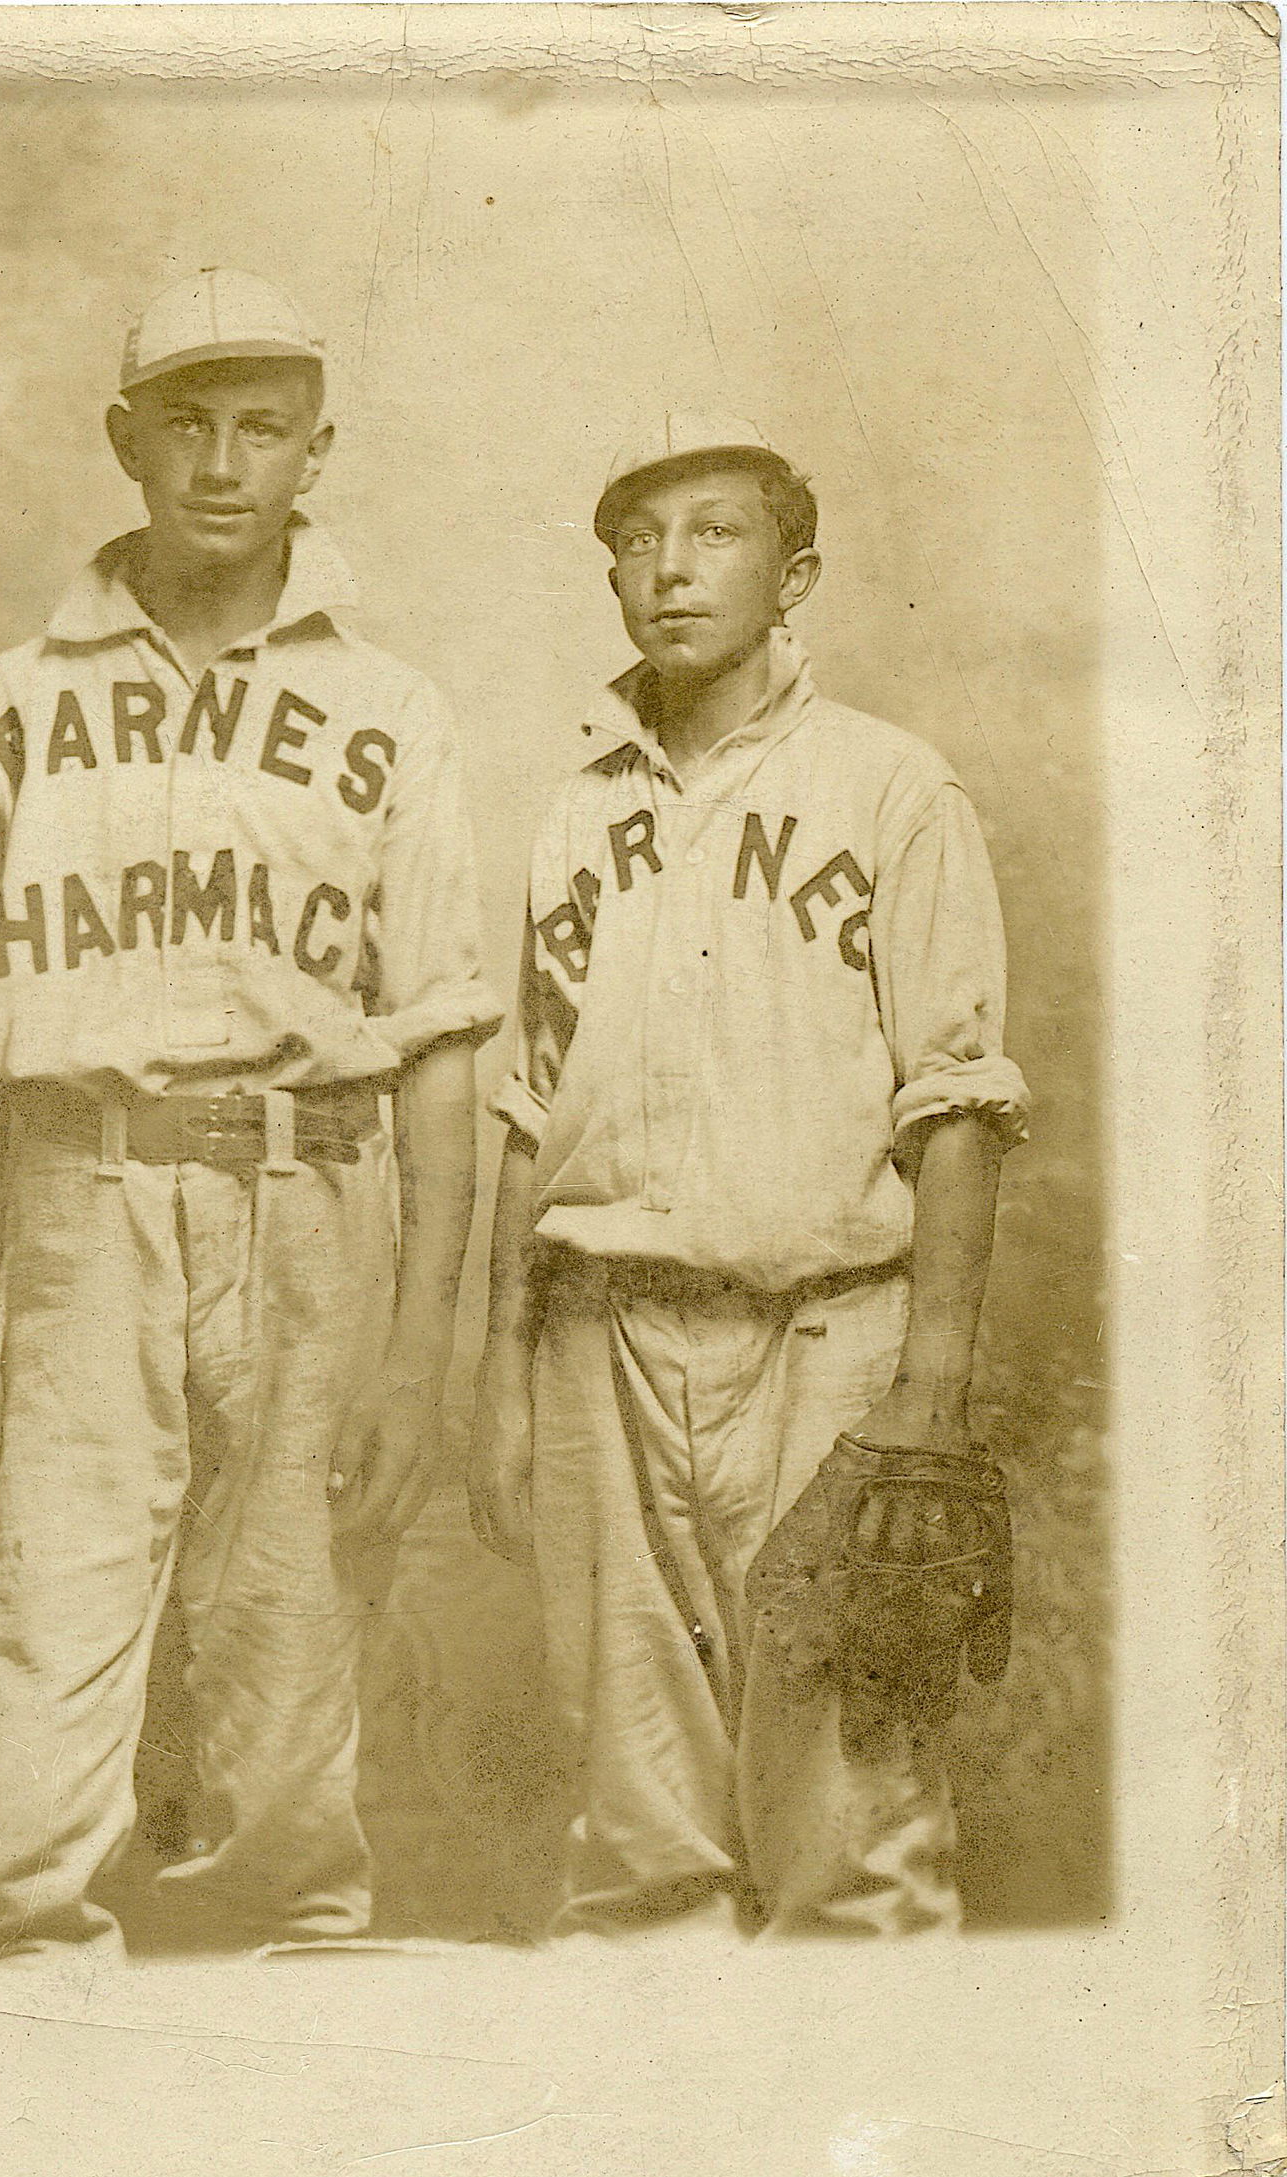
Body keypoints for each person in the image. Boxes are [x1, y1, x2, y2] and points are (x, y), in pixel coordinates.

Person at [0, 270, 501, 1960]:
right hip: (79, 1203)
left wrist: (420, 1350)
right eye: (186, 423)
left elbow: (444, 1051)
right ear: (125, 442)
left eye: (261, 427)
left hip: (315, 1208)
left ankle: (266, 2117)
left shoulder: (394, 709)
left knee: (290, 1710)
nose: (222, 464)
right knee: (41, 1701)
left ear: (320, 449)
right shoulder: (21, 697)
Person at [468, 413, 1029, 1937]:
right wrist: (503, 1375)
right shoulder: (577, 810)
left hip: (827, 1340)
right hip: (601, 1339)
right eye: (637, 545)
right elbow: (530, 1112)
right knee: (642, 1844)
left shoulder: (892, 788)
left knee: (854, 1833)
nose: (669, 569)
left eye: (713, 534)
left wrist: (932, 1391)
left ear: (798, 574)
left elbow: (959, 1102)